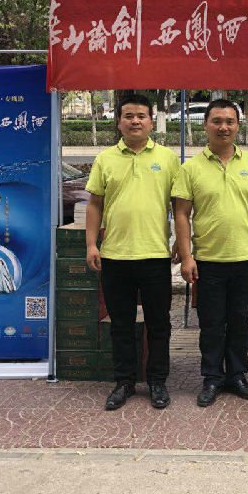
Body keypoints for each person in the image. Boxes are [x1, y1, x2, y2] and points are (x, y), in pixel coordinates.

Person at [173, 99, 248, 408]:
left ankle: (238, 375)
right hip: (208, 260)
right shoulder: (191, 168)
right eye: (217, 121)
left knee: (240, 321)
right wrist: (187, 257)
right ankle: (212, 377)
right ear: (206, 125)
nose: (223, 127)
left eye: (229, 121)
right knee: (212, 323)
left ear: (238, 126)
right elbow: (181, 214)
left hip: (245, 257)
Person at [85, 94, 181, 411]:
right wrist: (91, 244)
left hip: (155, 254)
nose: (135, 121)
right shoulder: (105, 159)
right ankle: (124, 381)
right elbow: (95, 204)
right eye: (129, 116)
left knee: (159, 323)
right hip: (115, 255)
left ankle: (157, 381)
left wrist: (182, 243)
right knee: (121, 324)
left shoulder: (167, 159)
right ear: (119, 122)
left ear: (151, 122)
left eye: (141, 116)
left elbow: (180, 206)